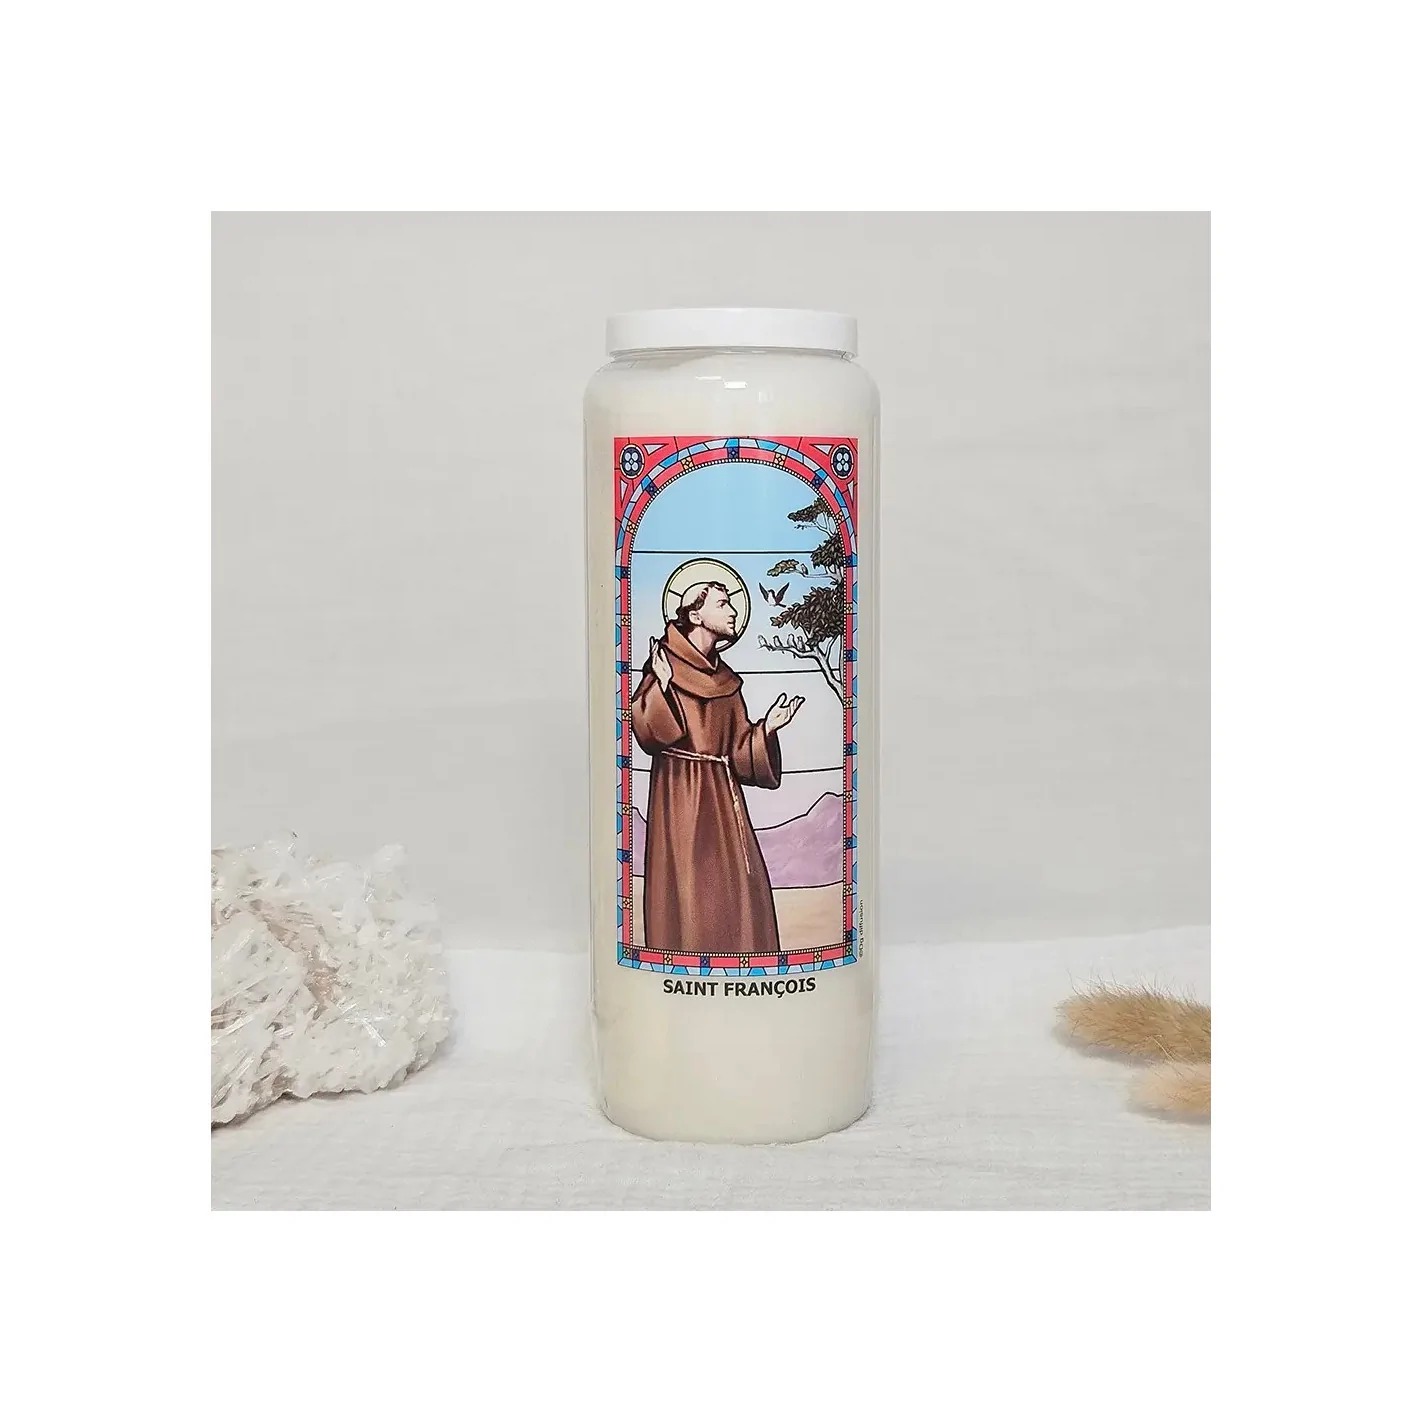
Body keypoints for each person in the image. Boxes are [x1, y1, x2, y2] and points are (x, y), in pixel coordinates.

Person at [631, 581, 803, 955]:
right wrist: (662, 686)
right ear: (695, 615)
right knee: (689, 892)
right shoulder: (664, 665)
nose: (732, 612)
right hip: (680, 796)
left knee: (739, 887)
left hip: (723, 800)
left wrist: (767, 729)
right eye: (723, 604)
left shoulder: (727, 681)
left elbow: (739, 754)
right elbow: (647, 733)